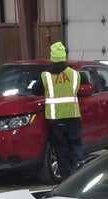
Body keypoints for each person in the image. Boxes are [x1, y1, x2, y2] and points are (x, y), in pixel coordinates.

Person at [40, 42, 84, 180]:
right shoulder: (75, 75)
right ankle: (78, 173)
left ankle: (65, 177)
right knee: (75, 144)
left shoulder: (46, 76)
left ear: (52, 57)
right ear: (64, 57)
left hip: (55, 118)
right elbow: (77, 90)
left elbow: (35, 89)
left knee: (60, 148)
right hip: (72, 116)